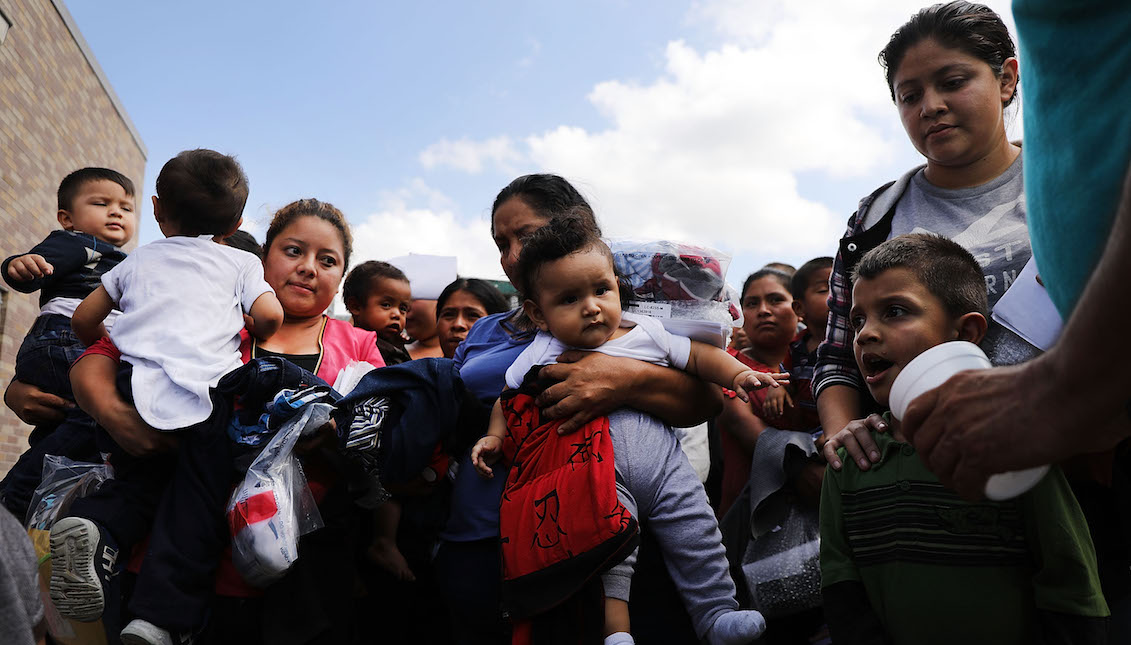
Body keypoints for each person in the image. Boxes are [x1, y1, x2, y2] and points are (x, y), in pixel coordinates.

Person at [52, 198, 384, 645]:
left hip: (301, 563)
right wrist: (119, 419)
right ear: (259, 258)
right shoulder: (213, 313)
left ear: (340, 277)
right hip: (177, 556)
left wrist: (331, 436)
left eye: (327, 261)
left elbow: (378, 428)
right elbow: (98, 356)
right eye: (293, 251)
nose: (308, 268)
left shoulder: (360, 343)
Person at [434, 173, 723, 645]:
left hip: (590, 530)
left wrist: (627, 380)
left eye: (525, 236)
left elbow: (706, 400)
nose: (512, 257)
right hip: (478, 533)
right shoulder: (484, 331)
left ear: (578, 231)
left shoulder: (626, 318)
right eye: (500, 243)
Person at [470, 215, 777, 645]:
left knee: (698, 532)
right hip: (596, 472)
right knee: (612, 553)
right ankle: (617, 633)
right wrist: (494, 436)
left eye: (601, 290)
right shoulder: (542, 351)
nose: (592, 306)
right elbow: (509, 398)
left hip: (666, 465)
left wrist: (739, 375)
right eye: (569, 299)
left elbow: (699, 358)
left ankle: (717, 614)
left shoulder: (647, 330)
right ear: (539, 314)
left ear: (617, 284)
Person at [820, 233, 1108, 644]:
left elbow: (1071, 584)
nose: (865, 334)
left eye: (895, 311)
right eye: (857, 319)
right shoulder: (850, 458)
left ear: (966, 332)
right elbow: (841, 587)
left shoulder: (1012, 445)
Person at [46, 149, 284, 626]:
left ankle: (96, 526)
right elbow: (270, 318)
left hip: (134, 387)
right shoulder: (239, 263)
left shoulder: (137, 261)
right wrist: (252, 323)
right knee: (195, 500)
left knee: (138, 483)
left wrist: (118, 343)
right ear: (236, 221)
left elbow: (83, 320)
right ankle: (158, 618)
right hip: (205, 397)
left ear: (156, 208)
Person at [816, 1, 1034, 471]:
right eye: (909, 96)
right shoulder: (873, 221)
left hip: (1071, 462)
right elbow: (838, 355)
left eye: (953, 83)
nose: (930, 106)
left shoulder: (1075, 186)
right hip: (918, 477)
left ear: (1007, 79)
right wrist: (843, 433)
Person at [0, 167, 137, 518]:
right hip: (67, 336)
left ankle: (41, 503)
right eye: (102, 203)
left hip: (82, 342)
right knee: (103, 406)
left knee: (63, 427)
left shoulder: (128, 261)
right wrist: (20, 264)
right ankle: (15, 495)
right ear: (67, 218)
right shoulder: (80, 243)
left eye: (125, 207)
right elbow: (37, 268)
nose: (116, 212)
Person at [761, 257, 832, 431]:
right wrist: (778, 388)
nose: (837, 294)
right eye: (824, 289)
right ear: (799, 308)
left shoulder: (853, 342)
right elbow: (786, 378)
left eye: (842, 287)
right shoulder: (796, 347)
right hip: (809, 434)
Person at [343, 260, 413, 365]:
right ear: (355, 306)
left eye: (403, 308)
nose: (397, 314)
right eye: (386, 305)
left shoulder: (397, 348)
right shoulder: (349, 347)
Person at [435, 278, 510, 359]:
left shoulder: (516, 371)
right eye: (448, 314)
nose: (458, 324)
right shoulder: (423, 370)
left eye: (473, 315)